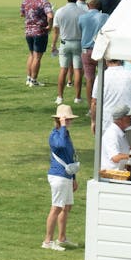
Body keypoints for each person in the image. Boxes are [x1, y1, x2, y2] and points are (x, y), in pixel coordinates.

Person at [43, 104, 79, 251]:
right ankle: (47, 241)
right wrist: (63, 127)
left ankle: (62, 238)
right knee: (56, 207)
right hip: (58, 176)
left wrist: (74, 178)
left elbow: (70, 156)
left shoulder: (65, 133)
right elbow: (61, 146)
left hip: (67, 176)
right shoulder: (55, 135)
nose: (69, 121)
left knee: (67, 206)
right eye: (67, 119)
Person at [51, 0, 87, 105]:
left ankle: (60, 97)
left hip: (64, 43)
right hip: (78, 43)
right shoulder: (82, 12)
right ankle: (77, 97)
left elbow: (56, 30)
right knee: (77, 70)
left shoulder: (60, 11)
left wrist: (53, 45)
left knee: (63, 70)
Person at [20, 0, 54, 89]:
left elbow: (22, 14)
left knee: (31, 54)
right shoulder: (44, 2)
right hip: (40, 32)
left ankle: (28, 78)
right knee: (37, 57)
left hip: (28, 31)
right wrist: (49, 26)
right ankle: (33, 80)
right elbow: (50, 15)